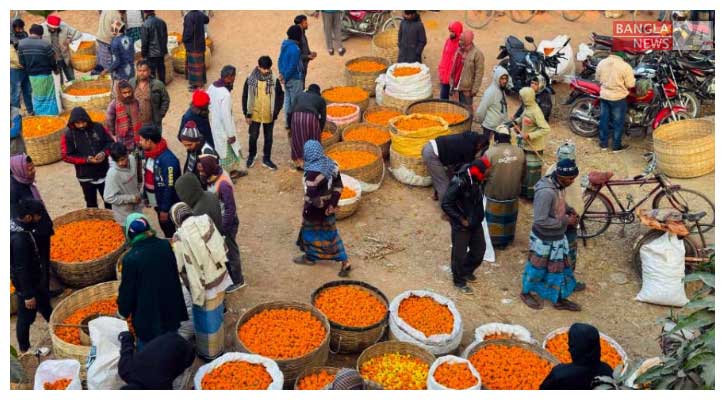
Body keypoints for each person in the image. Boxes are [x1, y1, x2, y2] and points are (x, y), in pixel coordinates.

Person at [170, 202, 232, 360]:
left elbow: (181, 266)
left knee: (206, 319)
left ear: (176, 219)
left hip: (203, 285)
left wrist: (188, 283)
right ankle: (219, 346)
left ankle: (209, 353)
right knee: (217, 310)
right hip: (220, 275)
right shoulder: (205, 219)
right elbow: (220, 244)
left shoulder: (179, 237)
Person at [118, 213, 189, 350]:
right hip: (171, 307)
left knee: (149, 352)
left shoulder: (131, 259)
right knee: (170, 344)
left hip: (148, 315)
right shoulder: (164, 245)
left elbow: (128, 291)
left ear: (129, 234)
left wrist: (122, 312)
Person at [520, 159, 582, 312]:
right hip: (544, 239)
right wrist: (566, 221)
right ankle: (525, 292)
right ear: (559, 176)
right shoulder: (546, 192)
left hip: (557, 236)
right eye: (569, 179)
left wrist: (568, 209)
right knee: (536, 268)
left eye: (573, 178)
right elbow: (541, 220)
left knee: (558, 269)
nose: (571, 181)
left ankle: (558, 299)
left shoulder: (559, 186)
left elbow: (558, 203)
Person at [294, 140, 352, 277]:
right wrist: (331, 205)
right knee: (332, 234)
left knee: (309, 232)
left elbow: (312, 194)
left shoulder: (312, 173)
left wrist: (321, 206)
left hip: (315, 211)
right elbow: (339, 186)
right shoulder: (331, 164)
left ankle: (310, 257)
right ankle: (345, 261)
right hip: (329, 210)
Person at [441, 157, 491, 295]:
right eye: (487, 170)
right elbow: (446, 204)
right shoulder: (459, 181)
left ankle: (466, 270)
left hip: (474, 221)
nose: (489, 172)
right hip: (462, 224)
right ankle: (458, 280)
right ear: (480, 171)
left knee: (479, 250)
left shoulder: (477, 179)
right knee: (459, 254)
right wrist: (460, 219)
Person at [11, 199, 52, 356]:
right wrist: (28, 295)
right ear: (28, 217)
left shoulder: (17, 225)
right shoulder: (20, 240)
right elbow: (21, 269)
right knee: (25, 316)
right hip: (26, 285)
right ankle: (25, 348)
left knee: (45, 304)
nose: (39, 218)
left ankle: (56, 326)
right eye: (37, 216)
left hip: (35, 280)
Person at [197, 156, 245, 291]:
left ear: (209, 169)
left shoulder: (223, 184)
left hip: (227, 223)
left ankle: (238, 280)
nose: (200, 173)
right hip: (219, 221)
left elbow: (230, 208)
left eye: (202, 171)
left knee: (231, 252)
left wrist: (223, 229)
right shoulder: (212, 178)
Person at [10, 154, 54, 297]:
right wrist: (29, 219)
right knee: (37, 262)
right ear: (19, 170)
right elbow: (16, 215)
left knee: (44, 260)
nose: (33, 171)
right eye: (29, 169)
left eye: (33, 167)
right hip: (32, 232)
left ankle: (45, 289)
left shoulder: (27, 182)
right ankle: (40, 293)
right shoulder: (13, 190)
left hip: (41, 227)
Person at [545, 142, 584, 283]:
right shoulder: (552, 176)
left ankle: (565, 280)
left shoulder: (569, 171)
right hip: (562, 221)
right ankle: (560, 282)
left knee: (569, 251)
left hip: (571, 219)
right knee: (562, 253)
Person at [61, 107, 113, 209]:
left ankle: (111, 223)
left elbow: (110, 142)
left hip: (103, 172)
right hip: (85, 176)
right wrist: (86, 160)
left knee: (109, 200)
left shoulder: (98, 127)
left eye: (83, 122)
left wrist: (103, 153)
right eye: (78, 123)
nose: (81, 126)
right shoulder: (69, 135)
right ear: (73, 123)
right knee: (91, 204)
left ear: (87, 119)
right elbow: (66, 155)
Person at [483, 125, 526, 248]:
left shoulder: (490, 153)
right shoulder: (520, 152)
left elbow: (483, 174)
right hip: (512, 194)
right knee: (508, 219)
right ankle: (506, 239)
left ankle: (493, 241)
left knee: (494, 220)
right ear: (509, 138)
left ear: (496, 138)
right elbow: (524, 173)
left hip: (494, 194)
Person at [540, 323, 614, 389]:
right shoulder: (607, 370)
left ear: (575, 349)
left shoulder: (560, 374)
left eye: (571, 345)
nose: (569, 349)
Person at [138, 125, 181, 238]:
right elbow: (147, 175)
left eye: (142, 139)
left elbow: (169, 187)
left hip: (166, 205)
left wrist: (165, 210)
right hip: (157, 202)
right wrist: (145, 195)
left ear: (150, 141)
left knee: (171, 231)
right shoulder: (149, 154)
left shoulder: (169, 161)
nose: (140, 142)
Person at [242, 55, 284, 170]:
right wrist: (247, 113)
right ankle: (252, 155)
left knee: (268, 137)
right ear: (259, 67)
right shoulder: (250, 79)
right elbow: (245, 96)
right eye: (264, 69)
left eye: (268, 69)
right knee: (253, 136)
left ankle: (267, 158)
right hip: (254, 114)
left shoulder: (274, 80)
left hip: (268, 114)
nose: (266, 71)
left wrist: (275, 111)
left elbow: (280, 96)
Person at [421, 131, 488, 203]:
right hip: (432, 154)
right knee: (443, 184)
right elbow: (468, 169)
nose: (479, 151)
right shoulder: (469, 148)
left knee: (446, 176)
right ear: (480, 145)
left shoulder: (470, 137)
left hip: (432, 146)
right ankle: (446, 207)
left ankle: (437, 195)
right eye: (480, 149)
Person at [117, 331, 195, 390]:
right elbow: (126, 345)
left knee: (178, 375)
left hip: (186, 351)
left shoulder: (159, 385)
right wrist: (125, 336)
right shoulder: (124, 370)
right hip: (168, 337)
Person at [208, 67, 247, 178]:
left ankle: (230, 173)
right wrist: (231, 135)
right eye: (234, 76)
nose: (234, 79)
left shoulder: (212, 87)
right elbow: (226, 116)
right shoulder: (225, 94)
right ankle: (225, 176)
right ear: (230, 77)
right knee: (227, 153)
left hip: (215, 125)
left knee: (222, 152)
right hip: (224, 129)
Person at [514, 86, 550, 201]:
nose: (519, 98)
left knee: (532, 173)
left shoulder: (536, 111)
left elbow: (545, 129)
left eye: (521, 96)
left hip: (534, 146)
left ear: (526, 97)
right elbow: (522, 117)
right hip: (525, 145)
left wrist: (530, 135)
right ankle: (523, 191)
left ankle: (531, 196)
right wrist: (516, 121)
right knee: (524, 170)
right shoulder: (527, 107)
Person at [596, 52, 635, 152]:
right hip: (618, 98)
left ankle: (603, 144)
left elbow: (597, 78)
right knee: (618, 123)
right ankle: (616, 146)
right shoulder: (625, 67)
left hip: (604, 96)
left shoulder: (602, 62)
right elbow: (630, 84)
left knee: (604, 120)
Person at [17, 24, 58, 116]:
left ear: (30, 32)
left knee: (37, 96)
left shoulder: (21, 43)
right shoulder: (46, 44)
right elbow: (52, 61)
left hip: (32, 77)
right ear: (41, 34)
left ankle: (39, 116)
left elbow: (21, 62)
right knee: (49, 97)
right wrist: (55, 70)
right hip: (46, 75)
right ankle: (52, 117)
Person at [103, 143, 143, 226]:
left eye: (123, 159)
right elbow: (108, 198)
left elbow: (137, 177)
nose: (121, 163)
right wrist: (130, 198)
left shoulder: (132, 159)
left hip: (137, 207)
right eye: (117, 161)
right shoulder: (112, 174)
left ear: (127, 153)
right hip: (124, 215)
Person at [289, 84, 326, 169]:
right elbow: (323, 118)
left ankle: (299, 162)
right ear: (318, 92)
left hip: (296, 116)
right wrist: (319, 130)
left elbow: (290, 111)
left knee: (298, 138)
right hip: (311, 118)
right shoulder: (320, 100)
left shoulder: (299, 95)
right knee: (313, 139)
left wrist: (291, 127)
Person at [450, 30, 485, 110]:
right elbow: (454, 66)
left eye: (462, 40)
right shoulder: (459, 50)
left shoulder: (477, 54)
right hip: (455, 86)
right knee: (456, 109)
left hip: (467, 89)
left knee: (467, 109)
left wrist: (474, 89)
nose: (459, 41)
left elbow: (479, 74)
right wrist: (451, 80)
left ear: (468, 41)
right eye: (459, 39)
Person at [130, 59, 170, 128]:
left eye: (144, 71)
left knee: (155, 138)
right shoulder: (131, 83)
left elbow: (165, 99)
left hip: (153, 122)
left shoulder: (158, 84)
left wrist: (161, 114)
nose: (141, 73)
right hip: (137, 122)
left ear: (149, 71)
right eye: (139, 71)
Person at [41, 15, 81, 82]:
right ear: (47, 25)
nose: (53, 30)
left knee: (71, 78)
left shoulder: (64, 26)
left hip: (65, 57)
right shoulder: (41, 27)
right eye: (51, 28)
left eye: (55, 28)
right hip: (53, 59)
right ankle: (61, 91)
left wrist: (69, 39)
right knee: (59, 80)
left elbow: (77, 33)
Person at [278, 25, 304, 130]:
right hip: (294, 79)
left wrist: (282, 74)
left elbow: (280, 60)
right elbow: (293, 66)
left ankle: (288, 123)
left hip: (286, 78)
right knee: (295, 102)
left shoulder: (284, 45)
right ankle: (294, 124)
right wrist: (285, 76)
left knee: (287, 100)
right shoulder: (295, 49)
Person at [105, 80, 142, 151]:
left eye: (129, 92)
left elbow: (139, 116)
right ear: (119, 93)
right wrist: (113, 132)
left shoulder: (135, 102)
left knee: (136, 154)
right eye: (124, 93)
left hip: (135, 134)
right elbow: (109, 119)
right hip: (122, 135)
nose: (127, 94)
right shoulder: (114, 104)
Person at [476, 66, 510, 140]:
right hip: (490, 129)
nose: (504, 81)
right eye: (502, 78)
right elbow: (480, 111)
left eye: (506, 78)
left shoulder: (501, 90)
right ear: (497, 78)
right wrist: (484, 123)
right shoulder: (490, 92)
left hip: (500, 128)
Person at [10, 19, 34, 115]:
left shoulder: (24, 34)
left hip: (25, 67)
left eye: (22, 28)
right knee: (15, 93)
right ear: (14, 27)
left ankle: (30, 110)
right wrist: (22, 63)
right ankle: (16, 115)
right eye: (18, 28)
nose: (21, 30)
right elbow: (11, 56)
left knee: (27, 90)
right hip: (15, 69)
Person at [182, 10, 210, 91]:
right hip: (200, 44)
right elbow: (207, 20)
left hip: (193, 46)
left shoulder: (188, 17)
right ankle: (202, 81)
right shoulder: (200, 14)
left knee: (194, 66)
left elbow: (188, 32)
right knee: (200, 64)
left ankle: (196, 85)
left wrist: (184, 40)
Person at [141, 10, 168, 83]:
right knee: (161, 69)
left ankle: (154, 87)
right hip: (161, 52)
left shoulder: (145, 24)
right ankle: (162, 85)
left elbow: (144, 42)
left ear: (145, 13)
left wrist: (143, 54)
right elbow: (165, 38)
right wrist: (164, 50)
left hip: (151, 54)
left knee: (151, 72)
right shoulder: (162, 22)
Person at [438, 21, 463, 100]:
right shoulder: (448, 41)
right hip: (445, 73)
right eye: (450, 31)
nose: (451, 33)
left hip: (453, 76)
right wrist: (441, 68)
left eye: (453, 32)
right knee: (443, 98)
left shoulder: (460, 45)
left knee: (454, 100)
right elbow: (444, 55)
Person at [294, 14, 317, 88]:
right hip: (299, 67)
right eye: (305, 23)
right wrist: (307, 56)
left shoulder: (302, 33)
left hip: (304, 65)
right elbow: (295, 55)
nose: (307, 24)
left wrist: (310, 53)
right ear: (300, 24)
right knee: (300, 86)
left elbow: (304, 47)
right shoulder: (296, 37)